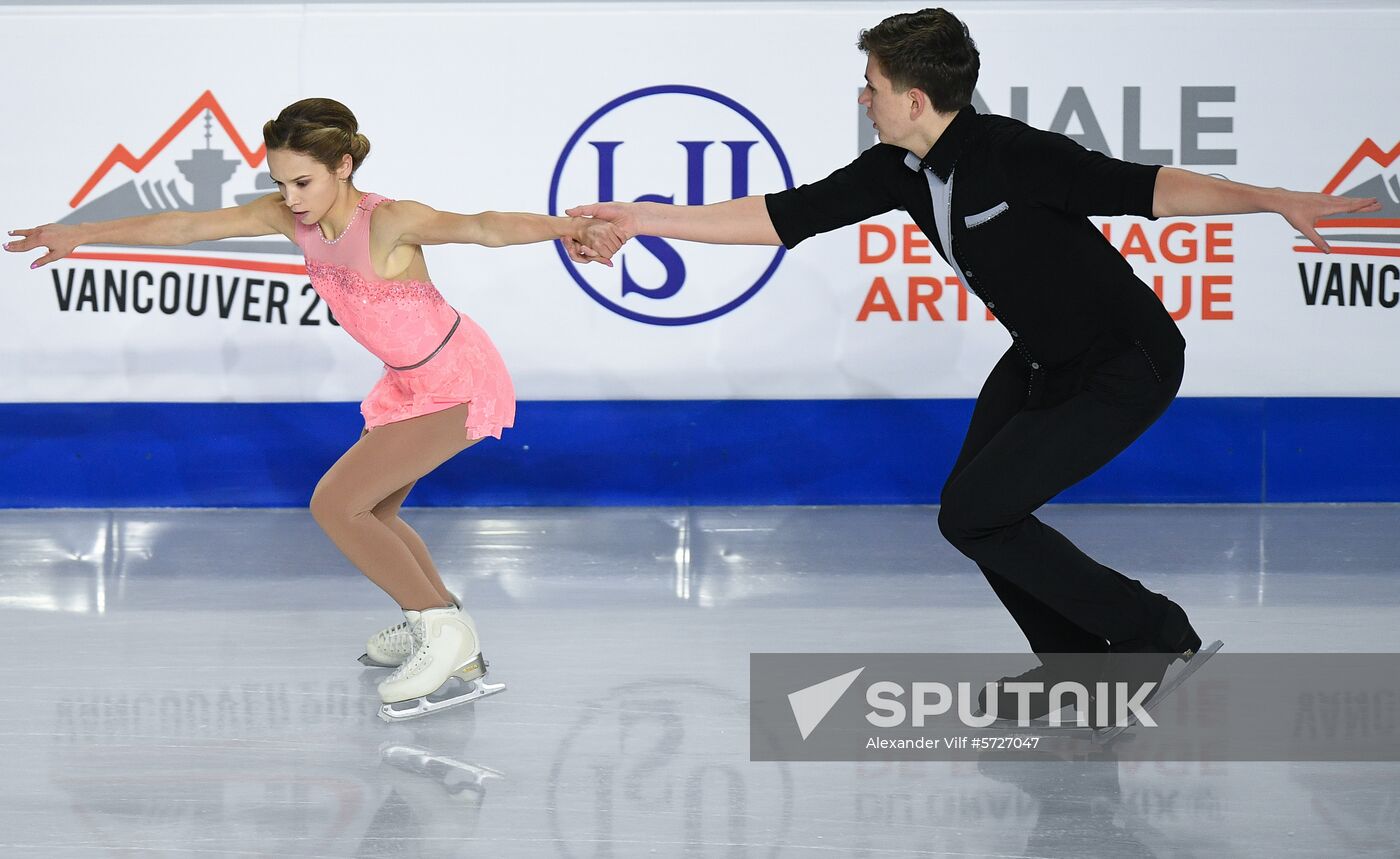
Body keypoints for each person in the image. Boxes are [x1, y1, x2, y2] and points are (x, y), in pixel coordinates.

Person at [563, 8, 1379, 724]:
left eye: (872, 84)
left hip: (1125, 361)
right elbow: (782, 216)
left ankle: (1152, 633)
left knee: (975, 514)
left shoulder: (1012, 153)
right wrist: (639, 217)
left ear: (915, 99)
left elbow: (1151, 188)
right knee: (973, 511)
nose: (863, 97)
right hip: (1041, 358)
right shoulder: (898, 168)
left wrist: (1273, 198)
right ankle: (1078, 668)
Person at [6, 97, 625, 722]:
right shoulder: (288, 217)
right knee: (374, 511)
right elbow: (186, 227)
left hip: (457, 379)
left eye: (303, 182)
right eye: (280, 183)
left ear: (343, 166)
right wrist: (81, 233)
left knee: (335, 504)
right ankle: (440, 626)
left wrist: (569, 228)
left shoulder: (389, 221)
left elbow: (485, 226)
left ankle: (442, 630)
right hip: (408, 384)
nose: (291, 197)